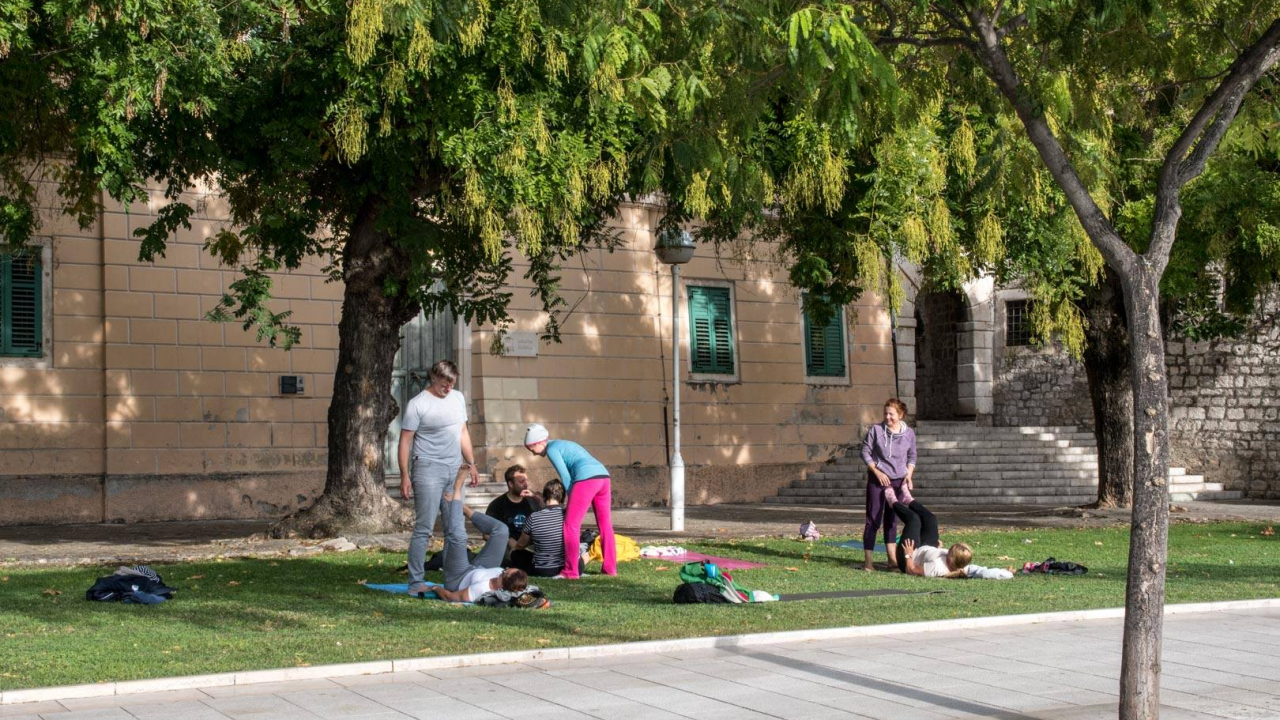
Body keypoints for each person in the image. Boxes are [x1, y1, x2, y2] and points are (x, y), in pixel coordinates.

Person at [398, 359, 481, 596]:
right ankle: (416, 582)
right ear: (434, 378)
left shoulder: (457, 398)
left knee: (457, 529)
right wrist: (404, 475)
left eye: (452, 382)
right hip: (427, 469)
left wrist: (472, 464)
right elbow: (405, 440)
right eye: (445, 382)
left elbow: (462, 432)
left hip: (454, 471)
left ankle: (456, 579)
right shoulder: (418, 404)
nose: (448, 387)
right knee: (424, 528)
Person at [523, 423, 616, 579]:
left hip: (586, 479)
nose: (532, 453)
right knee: (605, 524)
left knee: (570, 525)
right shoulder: (564, 443)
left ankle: (571, 571)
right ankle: (610, 569)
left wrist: (571, 499)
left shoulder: (552, 449)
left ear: (540, 442)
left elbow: (565, 477)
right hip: (603, 477)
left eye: (531, 448)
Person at [430, 490, 529, 602]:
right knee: (502, 530)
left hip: (459, 578)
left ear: (501, 586)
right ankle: (466, 510)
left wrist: (435, 587)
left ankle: (457, 491)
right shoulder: (516, 585)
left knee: (459, 537)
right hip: (482, 568)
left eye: (503, 572)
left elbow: (450, 597)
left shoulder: (481, 589)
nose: (503, 570)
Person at [859, 398, 918, 572]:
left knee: (891, 520)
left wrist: (909, 475)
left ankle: (892, 559)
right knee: (873, 519)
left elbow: (912, 456)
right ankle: (868, 562)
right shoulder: (876, 430)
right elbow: (865, 452)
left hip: (898, 481)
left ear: (900, 415)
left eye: (891, 414)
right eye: (885, 413)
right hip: (878, 481)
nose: (887, 417)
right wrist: (877, 471)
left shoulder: (909, 434)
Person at [511, 480, 590, 577]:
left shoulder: (534, 517)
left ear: (544, 496)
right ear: (562, 498)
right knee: (584, 554)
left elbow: (521, 544)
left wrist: (513, 549)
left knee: (515, 554)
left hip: (544, 570)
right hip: (573, 566)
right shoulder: (569, 516)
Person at [892, 499, 973, 578]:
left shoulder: (936, 567)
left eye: (950, 551)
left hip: (909, 556)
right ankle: (909, 500)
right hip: (926, 548)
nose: (947, 551)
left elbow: (911, 570)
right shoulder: (961, 564)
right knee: (931, 519)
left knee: (914, 519)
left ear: (952, 559)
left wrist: (908, 555)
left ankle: (892, 502)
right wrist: (938, 549)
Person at [485, 464, 543, 567]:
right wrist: (507, 540)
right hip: (508, 548)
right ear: (510, 484)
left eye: (526, 480)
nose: (525, 485)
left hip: (529, 545)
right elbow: (486, 535)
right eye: (521, 482)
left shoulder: (532, 502)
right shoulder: (497, 505)